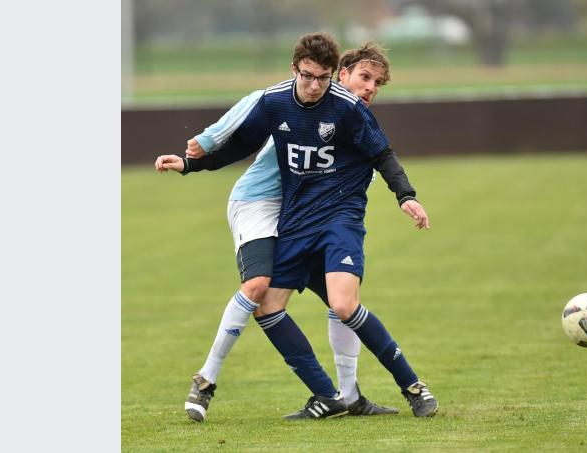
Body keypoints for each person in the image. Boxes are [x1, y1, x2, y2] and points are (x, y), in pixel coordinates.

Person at [159, 32, 438, 419]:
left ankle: (411, 387)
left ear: (329, 76)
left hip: (336, 221)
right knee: (269, 302)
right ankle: (333, 395)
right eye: (363, 79)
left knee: (341, 303)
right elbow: (246, 126)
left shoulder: (350, 111)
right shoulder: (283, 101)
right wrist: (196, 156)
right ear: (337, 74)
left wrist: (405, 195)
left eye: (377, 83)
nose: (369, 89)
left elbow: (383, 155)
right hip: (283, 215)